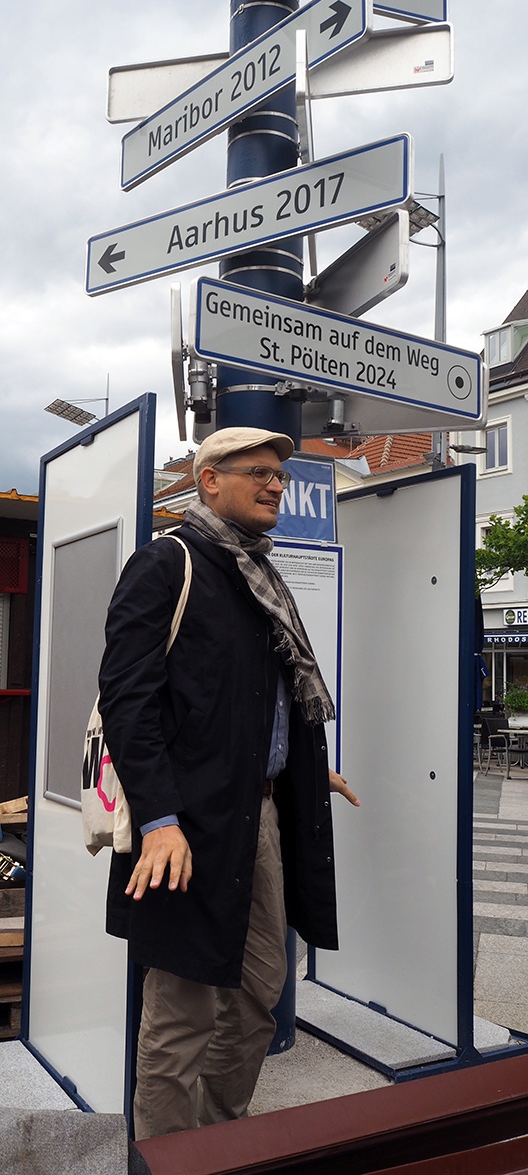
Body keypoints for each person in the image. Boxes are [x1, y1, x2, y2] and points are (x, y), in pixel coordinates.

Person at [99, 426, 359, 1139]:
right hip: (185, 825)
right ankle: (166, 1158)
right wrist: (159, 821)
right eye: (259, 472)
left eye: (280, 474)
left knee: (257, 992)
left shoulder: (257, 573)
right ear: (210, 479)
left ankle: (219, 1140)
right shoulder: (167, 563)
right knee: (182, 1011)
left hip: (259, 812)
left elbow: (255, 701)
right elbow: (128, 703)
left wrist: (300, 767)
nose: (276, 485)